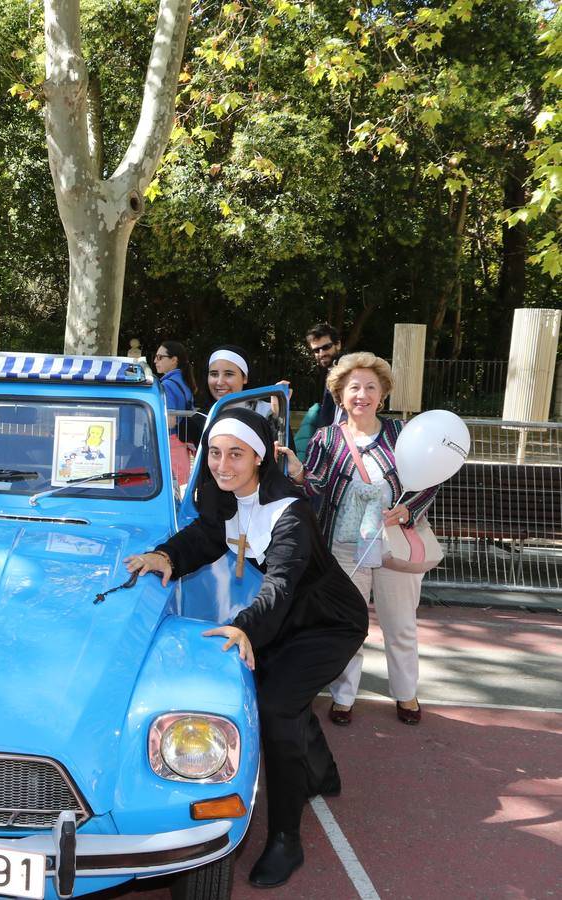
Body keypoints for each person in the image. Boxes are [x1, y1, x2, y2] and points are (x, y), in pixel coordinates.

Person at [125, 409, 367, 888]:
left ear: (259, 457)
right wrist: (165, 556)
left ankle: (285, 839)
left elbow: (280, 583)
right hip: (289, 617)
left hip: (329, 622)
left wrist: (244, 628)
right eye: (215, 453)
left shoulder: (290, 511)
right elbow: (206, 535)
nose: (222, 465)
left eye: (235, 454)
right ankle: (322, 773)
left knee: (276, 704)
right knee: (280, 688)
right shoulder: (228, 498)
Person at [277, 352, 439, 727]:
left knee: (400, 625)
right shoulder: (326, 438)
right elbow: (317, 487)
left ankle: (406, 692)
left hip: (394, 544)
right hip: (344, 547)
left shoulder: (402, 434)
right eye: (354, 387)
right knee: (347, 625)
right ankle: (343, 695)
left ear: (382, 394)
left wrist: (409, 509)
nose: (362, 395)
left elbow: (430, 478)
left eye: (370, 387)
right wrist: (300, 474)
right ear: (340, 394)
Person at [294, 323, 344, 462]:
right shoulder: (333, 370)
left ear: (338, 344)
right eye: (316, 350)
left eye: (326, 347)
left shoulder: (346, 371)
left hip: (342, 446)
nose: (321, 353)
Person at [154, 341, 196, 489]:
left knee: (170, 488)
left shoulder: (166, 385)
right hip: (182, 442)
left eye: (160, 357)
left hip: (170, 443)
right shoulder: (183, 381)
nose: (155, 361)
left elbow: (170, 421)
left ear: (174, 360)